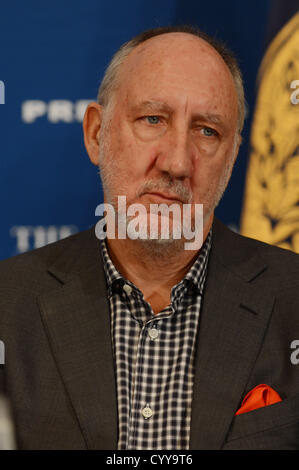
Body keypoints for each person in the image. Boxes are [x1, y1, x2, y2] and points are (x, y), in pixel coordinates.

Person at [1, 25, 299, 450]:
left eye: (207, 131)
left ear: (233, 159)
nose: (177, 162)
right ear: (95, 134)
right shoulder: (6, 305)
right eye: (153, 119)